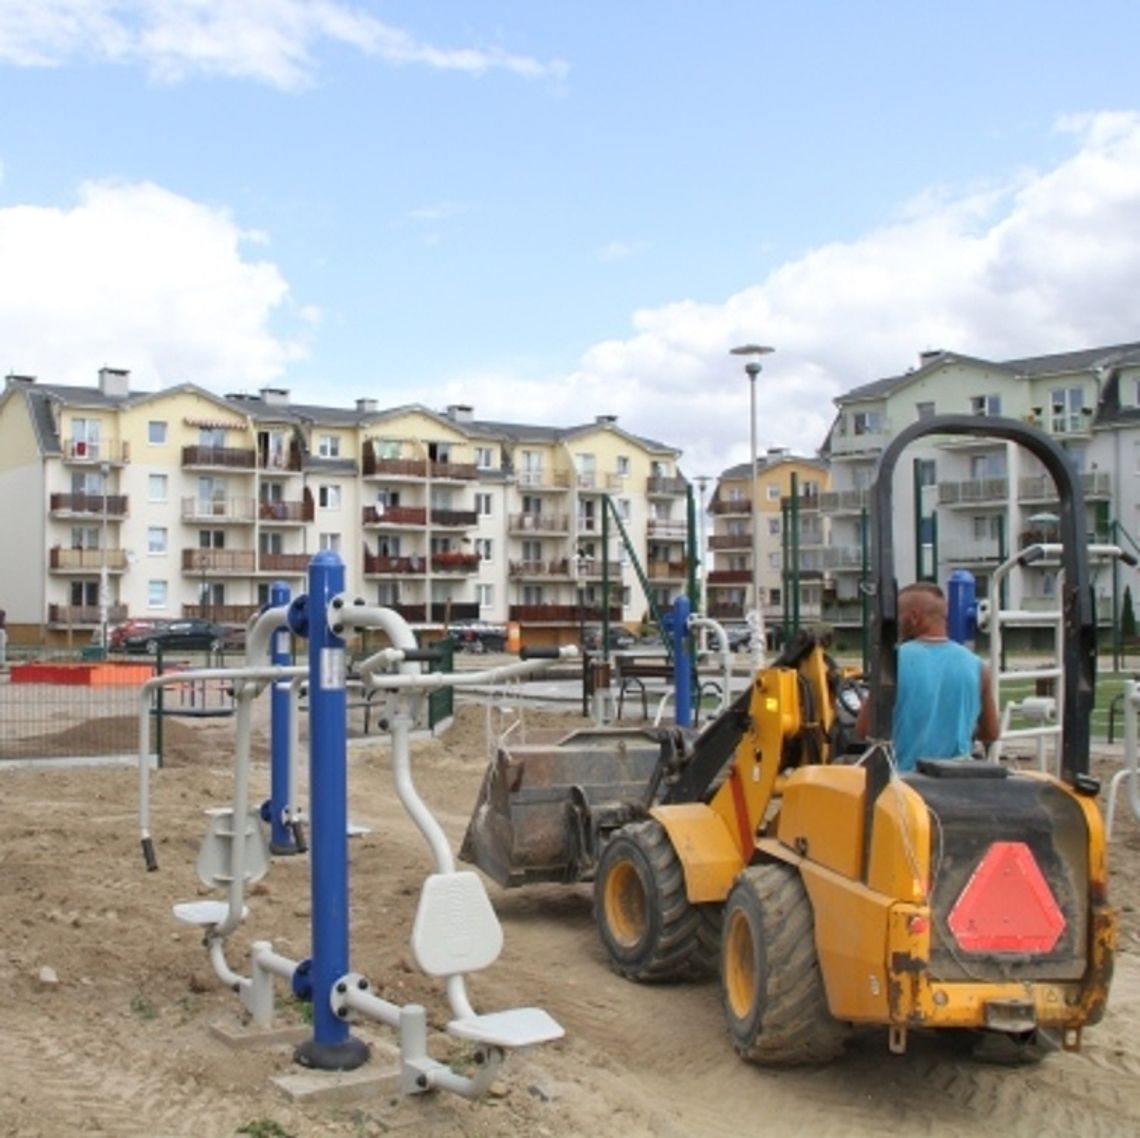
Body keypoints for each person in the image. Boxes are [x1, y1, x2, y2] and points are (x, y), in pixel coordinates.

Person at [856, 581, 1000, 771]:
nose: (896, 622)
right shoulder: (978, 666)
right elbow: (991, 732)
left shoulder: (891, 662)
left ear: (914, 617)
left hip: (904, 785)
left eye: (899, 615)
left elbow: (864, 729)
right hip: (956, 782)